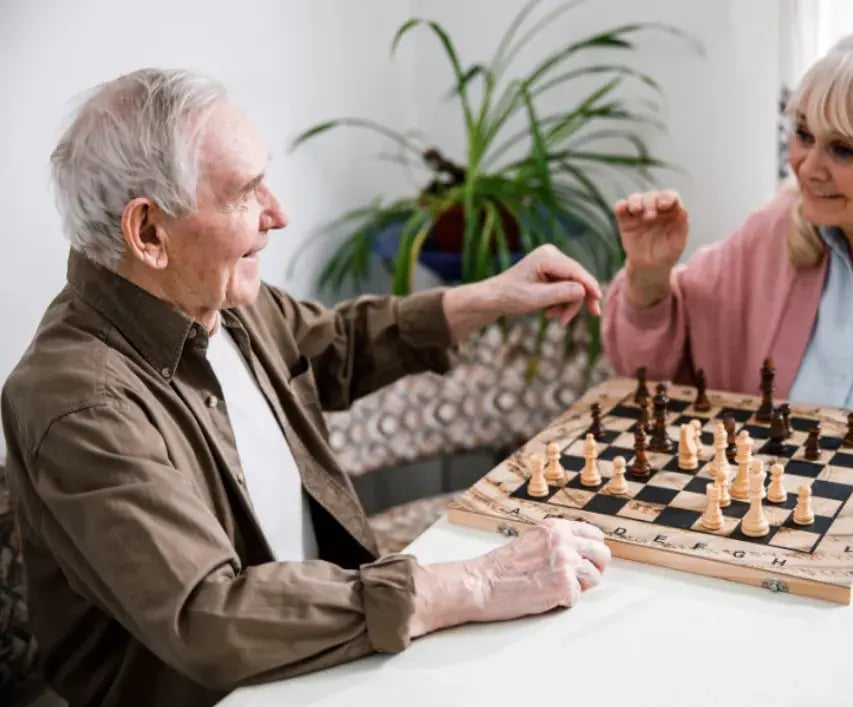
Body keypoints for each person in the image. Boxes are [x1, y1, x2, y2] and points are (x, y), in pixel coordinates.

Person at [0, 69, 612, 707]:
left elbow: (334, 345)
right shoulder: (78, 402)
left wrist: (488, 298)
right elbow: (210, 616)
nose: (279, 213)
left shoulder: (214, 298)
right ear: (149, 233)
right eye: (245, 192)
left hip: (330, 657)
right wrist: (473, 586)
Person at [601, 25, 853, 443]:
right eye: (805, 135)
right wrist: (649, 274)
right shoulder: (770, 234)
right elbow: (646, 371)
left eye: (843, 149)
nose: (808, 167)